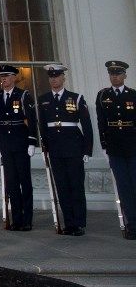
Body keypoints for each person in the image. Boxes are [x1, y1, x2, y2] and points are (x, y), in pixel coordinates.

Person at [37, 64, 93, 236]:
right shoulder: (44, 99)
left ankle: (79, 223)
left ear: (63, 78)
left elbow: (87, 126)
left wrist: (87, 150)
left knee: (75, 185)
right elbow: (43, 126)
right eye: (51, 77)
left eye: (57, 76)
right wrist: (44, 146)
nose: (54, 79)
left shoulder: (75, 98)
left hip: (74, 147)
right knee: (61, 186)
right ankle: (68, 222)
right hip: (55, 148)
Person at [0, 64, 38, 231]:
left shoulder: (23, 95)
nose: (4, 79)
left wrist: (32, 141)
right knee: (11, 182)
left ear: (14, 78)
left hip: (21, 141)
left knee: (24, 181)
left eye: (7, 76)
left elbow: (31, 119)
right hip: (5, 142)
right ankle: (16, 219)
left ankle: (27, 220)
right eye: (2, 77)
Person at [95, 60, 136, 240]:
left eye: (118, 73)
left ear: (124, 75)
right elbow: (101, 122)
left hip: (133, 146)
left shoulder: (133, 95)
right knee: (124, 187)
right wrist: (104, 145)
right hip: (115, 148)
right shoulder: (103, 96)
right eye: (112, 74)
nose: (115, 77)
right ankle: (132, 224)